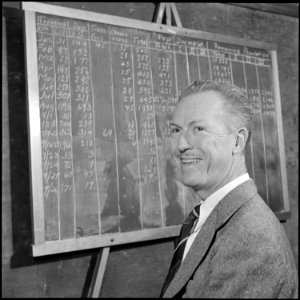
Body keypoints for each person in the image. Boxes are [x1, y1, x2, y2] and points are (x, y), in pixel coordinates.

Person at [160, 80, 298, 298]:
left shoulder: (251, 240)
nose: (181, 145)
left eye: (199, 129)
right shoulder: (207, 217)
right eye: (176, 130)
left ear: (237, 141)